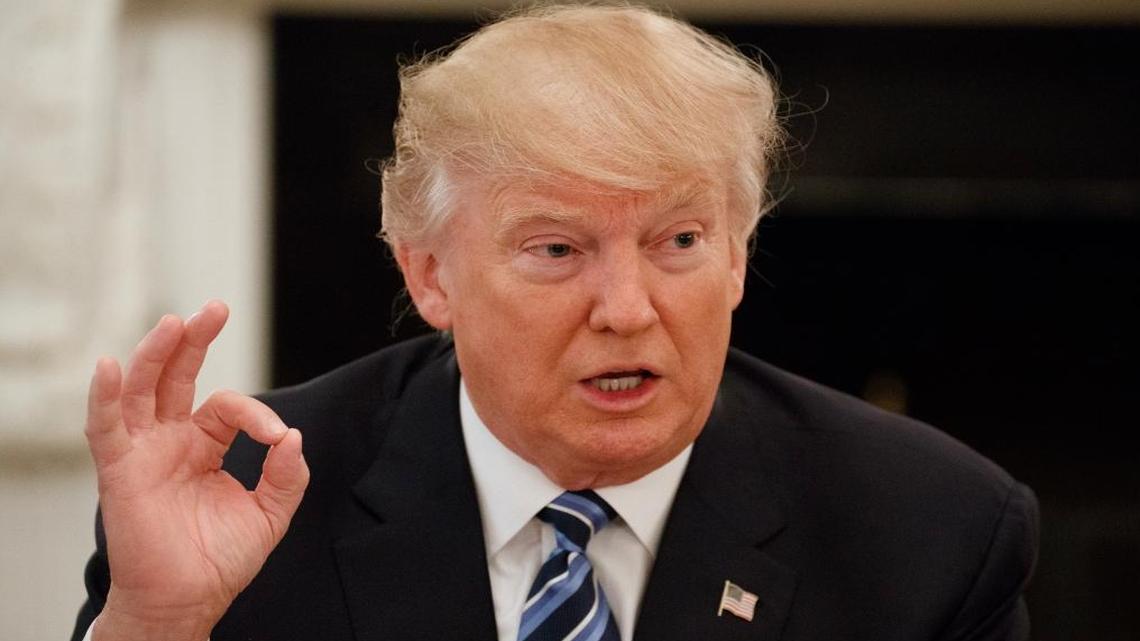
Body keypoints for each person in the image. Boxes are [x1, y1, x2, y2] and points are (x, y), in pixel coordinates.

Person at [72, 5, 1038, 641]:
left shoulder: (932, 531)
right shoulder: (248, 502)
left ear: (740, 254)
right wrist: (155, 622)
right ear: (430, 275)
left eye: (681, 240)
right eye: (557, 250)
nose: (627, 311)